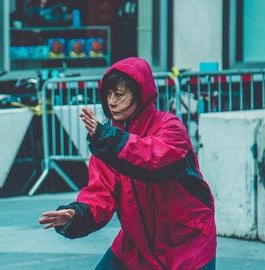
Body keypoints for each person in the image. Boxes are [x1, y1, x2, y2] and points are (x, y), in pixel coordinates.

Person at [38, 57, 216, 270]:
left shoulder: (169, 126)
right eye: (108, 94)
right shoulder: (106, 141)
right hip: (136, 244)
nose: (111, 101)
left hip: (187, 241)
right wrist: (75, 215)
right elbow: (100, 194)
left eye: (119, 94)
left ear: (140, 94)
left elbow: (152, 161)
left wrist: (106, 138)